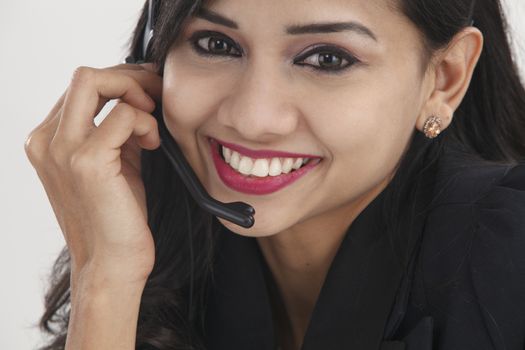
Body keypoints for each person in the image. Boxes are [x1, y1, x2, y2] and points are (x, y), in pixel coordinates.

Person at [24, 0, 525, 349]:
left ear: (444, 79)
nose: (252, 118)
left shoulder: (510, 260)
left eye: (327, 58)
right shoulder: (178, 256)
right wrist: (105, 281)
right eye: (216, 44)